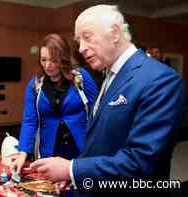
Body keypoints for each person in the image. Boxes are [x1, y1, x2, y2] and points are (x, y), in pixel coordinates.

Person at [30, 5, 184, 196]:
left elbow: (142, 161)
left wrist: (72, 169)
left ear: (114, 33)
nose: (81, 49)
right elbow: (100, 142)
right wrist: (77, 178)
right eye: (79, 41)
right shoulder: (107, 76)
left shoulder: (159, 79)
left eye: (87, 37)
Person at [10, 34, 98, 174]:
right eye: (44, 60)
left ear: (63, 59)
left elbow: (97, 112)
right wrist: (23, 152)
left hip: (81, 149)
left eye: (53, 60)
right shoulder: (35, 84)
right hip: (49, 150)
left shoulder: (81, 77)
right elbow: (29, 120)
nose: (48, 65)